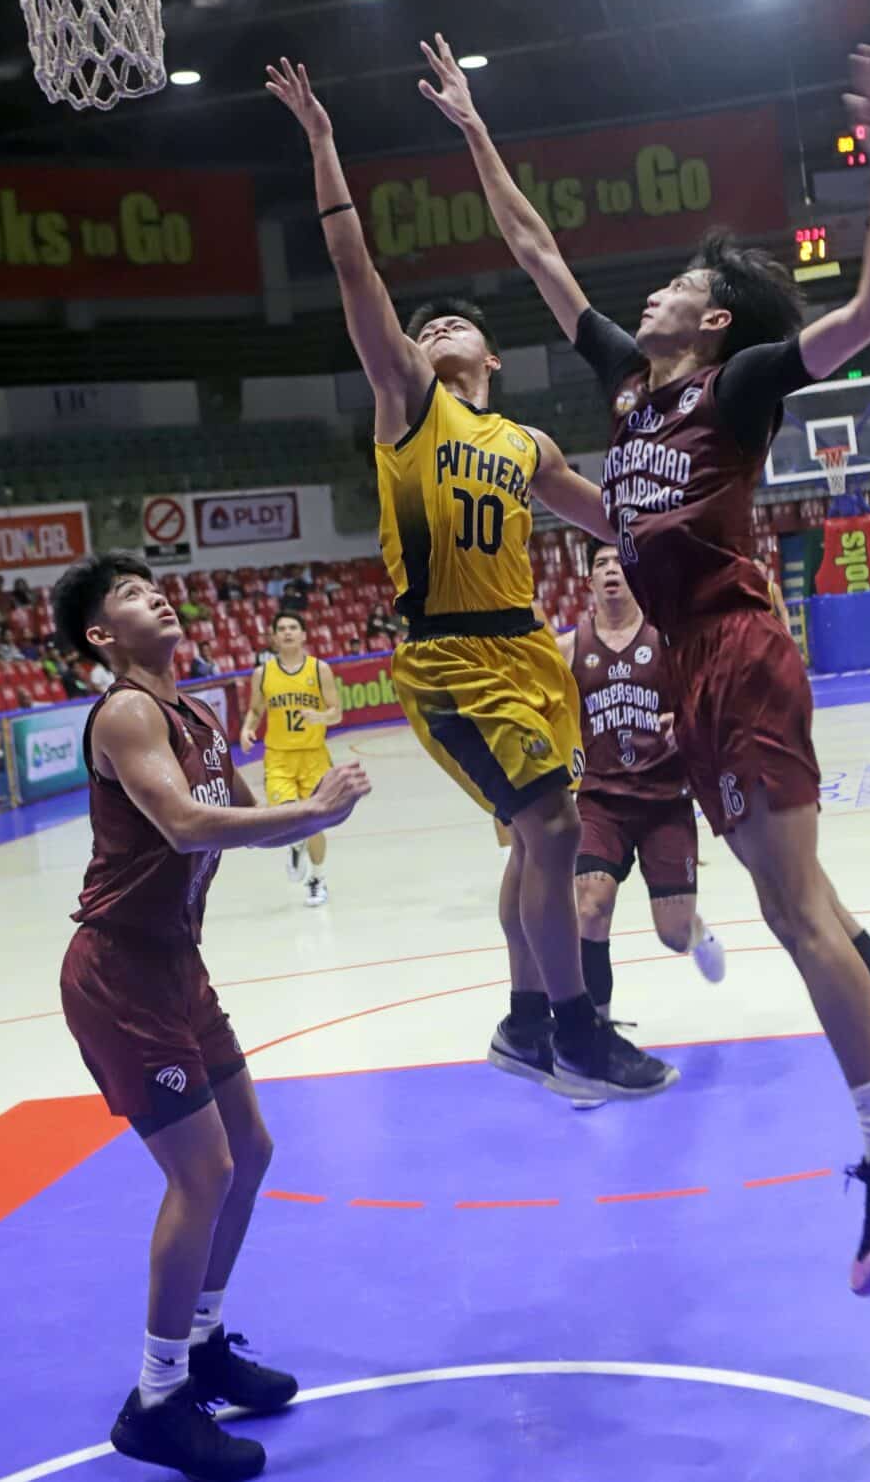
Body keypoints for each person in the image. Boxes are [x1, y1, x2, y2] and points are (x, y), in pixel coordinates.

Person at [421, 34, 870, 1289]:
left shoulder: (736, 384)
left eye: (678, 285)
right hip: (690, 669)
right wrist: (475, 127)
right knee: (820, 906)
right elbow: (535, 250)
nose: (651, 295)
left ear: (716, 317)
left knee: (794, 913)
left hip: (736, 651)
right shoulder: (630, 390)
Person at [266, 55, 674, 1103]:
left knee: (529, 845)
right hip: (449, 653)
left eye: (456, 322)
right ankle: (576, 1029)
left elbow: (614, 518)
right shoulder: (406, 397)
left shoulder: (525, 439)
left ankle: (522, 1016)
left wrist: (693, 521)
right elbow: (358, 274)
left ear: (492, 353)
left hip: (529, 653)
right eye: (427, 321)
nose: (437, 324)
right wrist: (322, 143)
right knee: (550, 830)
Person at [53, 552, 370, 1480]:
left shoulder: (194, 710)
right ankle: (156, 1399)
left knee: (252, 1151)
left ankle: (200, 1344)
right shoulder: (126, 712)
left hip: (175, 966)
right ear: (102, 637)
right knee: (205, 1173)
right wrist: (308, 811)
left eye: (156, 584)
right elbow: (186, 823)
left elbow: (225, 813)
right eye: (129, 594)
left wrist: (305, 814)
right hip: (119, 974)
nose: (155, 593)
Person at [555, 540, 725, 1024]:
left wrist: (687, 724)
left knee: (671, 934)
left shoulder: (667, 640)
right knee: (590, 907)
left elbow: (706, 699)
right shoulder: (569, 648)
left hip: (665, 798)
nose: (610, 571)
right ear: (589, 582)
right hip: (599, 800)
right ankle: (597, 1034)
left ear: (635, 576)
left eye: (618, 563)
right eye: (600, 564)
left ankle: (695, 934)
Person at [240, 609, 344, 907]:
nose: (287, 632)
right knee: (286, 817)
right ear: (273, 637)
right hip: (279, 757)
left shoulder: (319, 669)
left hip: (314, 757)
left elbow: (337, 712)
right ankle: (296, 843)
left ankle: (317, 879)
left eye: (293, 627)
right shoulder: (262, 673)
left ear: (303, 635)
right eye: (281, 628)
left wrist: (320, 715)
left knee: (314, 821)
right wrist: (247, 730)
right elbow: (256, 710)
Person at [752, 554, 792, 637]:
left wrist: (788, 629)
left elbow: (783, 610)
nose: (757, 568)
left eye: (759, 565)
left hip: (771, 631)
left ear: (765, 568)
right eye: (754, 566)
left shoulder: (773, 588)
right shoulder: (748, 589)